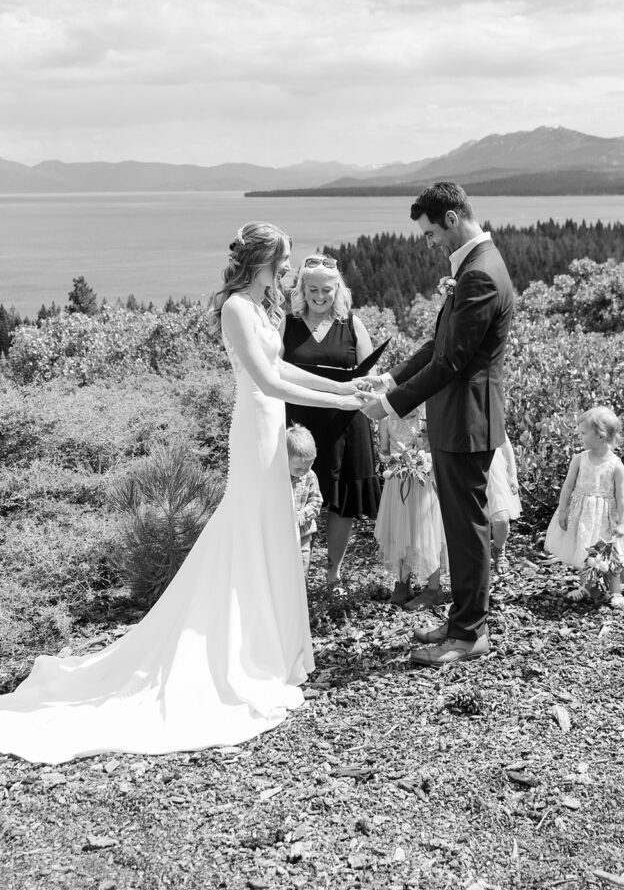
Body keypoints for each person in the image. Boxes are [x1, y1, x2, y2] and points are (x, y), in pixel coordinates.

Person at [0, 221, 363, 764]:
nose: (288, 270)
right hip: (254, 428)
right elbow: (264, 381)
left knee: (271, 531)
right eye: (283, 260)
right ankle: (239, 651)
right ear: (264, 259)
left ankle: (269, 647)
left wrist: (343, 385)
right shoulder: (237, 308)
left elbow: (284, 365)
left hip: (272, 426)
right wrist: (345, 404)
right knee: (247, 528)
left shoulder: (265, 306)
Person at [359, 182, 514, 667]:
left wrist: (389, 407)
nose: (428, 243)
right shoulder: (471, 267)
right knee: (458, 524)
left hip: (468, 419)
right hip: (458, 419)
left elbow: (450, 363)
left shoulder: (480, 274)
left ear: (451, 218)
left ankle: (469, 634)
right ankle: (462, 619)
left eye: (429, 233)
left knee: (467, 528)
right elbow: (436, 345)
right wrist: (390, 378)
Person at [280, 256, 380, 594]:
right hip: (299, 424)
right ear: (301, 289)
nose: (319, 296)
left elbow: (370, 374)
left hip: (344, 424)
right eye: (312, 290)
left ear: (338, 289)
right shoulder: (287, 325)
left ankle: (333, 573)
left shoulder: (353, 324)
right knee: (295, 495)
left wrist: (366, 384)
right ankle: (295, 570)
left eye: (326, 289)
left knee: (342, 500)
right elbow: (275, 371)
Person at [545, 406, 624, 608]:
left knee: (611, 555)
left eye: (584, 433)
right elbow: (568, 486)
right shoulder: (579, 460)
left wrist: (621, 524)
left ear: (601, 436)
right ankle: (586, 587)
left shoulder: (616, 465)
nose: (580, 437)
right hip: (583, 515)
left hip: (606, 517)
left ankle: (616, 591)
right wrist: (563, 509)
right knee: (586, 552)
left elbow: (621, 498)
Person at [374, 406, 447, 609]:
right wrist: (393, 461)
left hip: (423, 482)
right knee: (399, 530)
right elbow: (384, 451)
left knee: (425, 531)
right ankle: (402, 583)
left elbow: (435, 447)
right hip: (397, 482)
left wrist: (420, 461)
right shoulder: (387, 418)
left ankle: (433, 589)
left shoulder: (426, 415)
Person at [287, 423, 323, 579]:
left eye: (309, 466)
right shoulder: (277, 478)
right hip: (280, 537)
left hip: (302, 537)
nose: (303, 472)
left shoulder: (310, 476)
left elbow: (316, 503)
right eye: (298, 469)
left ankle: (300, 601)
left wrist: (301, 515)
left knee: (301, 574)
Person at [488, 434, 522, 576]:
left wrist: (513, 475)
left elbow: (505, 444)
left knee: (501, 519)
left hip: (493, 470)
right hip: (465, 468)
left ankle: (498, 548)